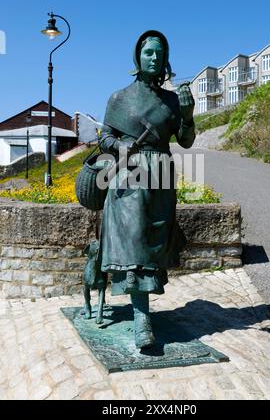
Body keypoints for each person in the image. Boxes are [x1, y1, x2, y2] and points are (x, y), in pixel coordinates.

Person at [98, 30, 195, 349]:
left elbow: (185, 141)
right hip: (130, 174)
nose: (155, 57)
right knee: (135, 244)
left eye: (160, 52)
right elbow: (104, 136)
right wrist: (118, 144)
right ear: (137, 57)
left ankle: (143, 311)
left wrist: (187, 114)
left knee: (153, 245)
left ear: (167, 58)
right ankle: (142, 319)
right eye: (149, 52)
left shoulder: (171, 100)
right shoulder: (119, 97)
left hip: (161, 177)